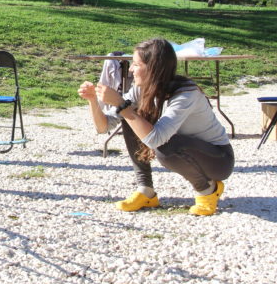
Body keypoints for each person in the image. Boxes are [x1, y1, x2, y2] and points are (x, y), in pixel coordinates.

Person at [78, 38, 234, 216]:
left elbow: (156, 139)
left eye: (136, 64)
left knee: (165, 145)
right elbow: (103, 127)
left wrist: (122, 104)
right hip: (189, 149)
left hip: (218, 160)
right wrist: (93, 101)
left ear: (153, 68)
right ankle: (146, 190)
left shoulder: (186, 94)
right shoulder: (141, 89)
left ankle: (207, 189)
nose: (130, 69)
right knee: (131, 118)